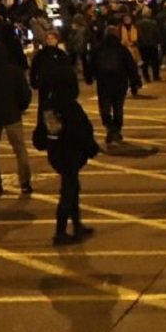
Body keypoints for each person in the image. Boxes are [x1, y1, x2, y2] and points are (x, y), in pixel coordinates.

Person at [32, 66, 99, 245]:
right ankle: (60, 232)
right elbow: (81, 130)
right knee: (69, 191)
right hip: (69, 153)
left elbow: (45, 130)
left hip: (57, 152)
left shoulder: (49, 104)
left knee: (72, 187)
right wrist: (91, 147)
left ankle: (77, 225)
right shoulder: (69, 105)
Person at [0, 40, 34, 196]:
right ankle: (25, 183)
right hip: (12, 115)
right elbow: (25, 94)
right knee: (20, 150)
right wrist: (20, 108)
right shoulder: (14, 72)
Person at [89, 30, 141, 145]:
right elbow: (131, 66)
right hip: (120, 83)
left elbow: (91, 64)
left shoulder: (98, 49)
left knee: (105, 107)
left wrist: (89, 77)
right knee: (118, 107)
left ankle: (109, 126)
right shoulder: (122, 49)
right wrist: (135, 81)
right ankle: (116, 128)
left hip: (103, 83)